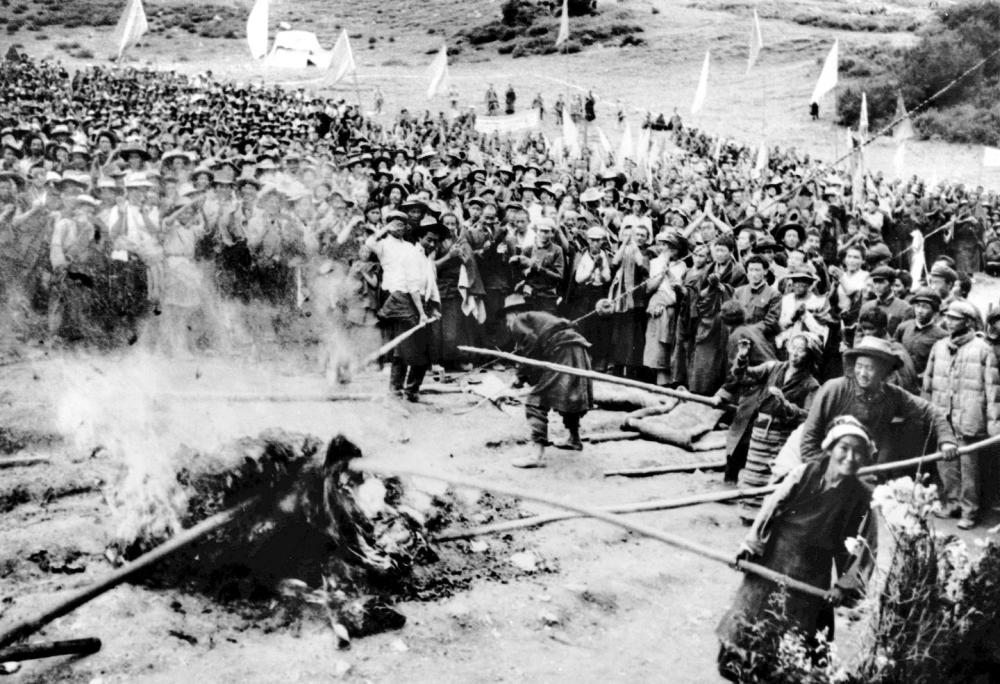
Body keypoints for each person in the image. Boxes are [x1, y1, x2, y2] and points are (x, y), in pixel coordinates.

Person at [717, 419, 878, 681]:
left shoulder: (861, 497)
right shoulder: (803, 474)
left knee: (794, 656)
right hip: (773, 563)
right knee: (742, 644)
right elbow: (770, 511)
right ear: (830, 448)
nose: (850, 457)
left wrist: (845, 586)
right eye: (844, 448)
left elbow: (865, 547)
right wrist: (750, 547)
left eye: (858, 452)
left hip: (812, 578)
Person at [798, 336, 957, 467]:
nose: (862, 373)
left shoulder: (892, 395)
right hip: (816, 460)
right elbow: (809, 440)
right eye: (859, 366)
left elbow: (930, 411)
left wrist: (946, 440)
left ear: (883, 372)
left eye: (869, 368)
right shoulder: (834, 389)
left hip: (855, 465)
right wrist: (823, 471)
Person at [716, 332, 821, 519]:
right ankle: (746, 508)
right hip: (761, 430)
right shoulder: (773, 367)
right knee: (751, 468)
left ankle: (766, 514)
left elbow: (809, 415)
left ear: (809, 354)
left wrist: (786, 407)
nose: (795, 353)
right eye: (793, 347)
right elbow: (743, 375)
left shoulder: (811, 384)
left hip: (783, 436)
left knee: (774, 473)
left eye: (801, 350)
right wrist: (742, 357)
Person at [923, 300, 1000, 529]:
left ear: (967, 322)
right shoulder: (939, 347)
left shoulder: (983, 349)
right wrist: (926, 413)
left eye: (955, 318)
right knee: (945, 465)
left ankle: (970, 511)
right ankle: (952, 503)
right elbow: (928, 383)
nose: (948, 321)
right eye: (947, 317)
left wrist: (994, 424)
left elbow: (993, 390)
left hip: (970, 417)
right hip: (943, 416)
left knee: (969, 470)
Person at [505, 293, 593, 468]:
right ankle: (574, 439)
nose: (507, 324)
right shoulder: (537, 318)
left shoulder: (519, 320)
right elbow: (538, 350)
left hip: (564, 351)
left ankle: (536, 455)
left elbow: (531, 346)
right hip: (577, 350)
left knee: (536, 400)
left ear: (513, 313)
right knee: (570, 395)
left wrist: (520, 376)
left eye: (506, 319)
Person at [893, 286, 946, 376]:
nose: (919, 311)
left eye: (925, 307)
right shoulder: (903, 327)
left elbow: (941, 365)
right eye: (917, 306)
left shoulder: (942, 336)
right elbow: (893, 350)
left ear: (934, 311)